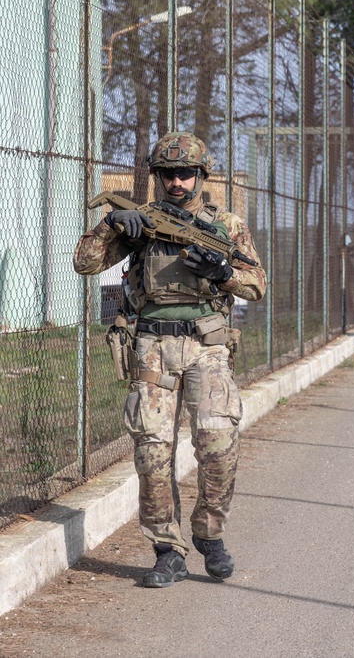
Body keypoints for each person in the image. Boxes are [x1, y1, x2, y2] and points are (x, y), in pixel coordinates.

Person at [73, 132, 267, 588]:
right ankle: (167, 550)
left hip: (208, 346)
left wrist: (223, 275)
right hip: (151, 347)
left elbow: (257, 283)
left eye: (186, 173)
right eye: (168, 174)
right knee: (152, 452)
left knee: (218, 446)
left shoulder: (228, 225)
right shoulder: (140, 221)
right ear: (157, 177)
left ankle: (210, 534)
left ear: (202, 175)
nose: (177, 181)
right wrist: (114, 224)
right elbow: (84, 264)